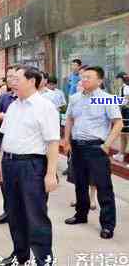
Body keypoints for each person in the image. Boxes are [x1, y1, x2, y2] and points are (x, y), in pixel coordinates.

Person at [0, 65, 59, 266]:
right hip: (10, 164)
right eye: (12, 79)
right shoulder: (14, 105)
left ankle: (44, 259)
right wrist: (0, 164)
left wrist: (51, 174)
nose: (12, 82)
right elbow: (5, 137)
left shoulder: (45, 106)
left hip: (32, 166)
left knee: (35, 215)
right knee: (14, 213)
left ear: (32, 81)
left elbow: (52, 142)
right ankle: (20, 255)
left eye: (17, 79)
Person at [64, 66, 123, 240]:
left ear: (100, 81)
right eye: (83, 77)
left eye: (88, 77)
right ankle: (81, 215)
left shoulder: (107, 99)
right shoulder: (75, 98)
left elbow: (118, 123)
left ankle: (107, 224)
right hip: (77, 146)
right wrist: (66, 139)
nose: (84, 80)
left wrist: (107, 145)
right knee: (80, 183)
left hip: (96, 147)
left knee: (103, 187)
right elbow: (69, 119)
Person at [0, 65, 18, 225]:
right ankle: (8, 211)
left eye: (14, 76)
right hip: (4, 142)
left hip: (22, 147)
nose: (10, 80)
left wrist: (6, 116)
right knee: (4, 180)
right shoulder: (5, 98)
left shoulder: (34, 101)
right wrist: (1, 116)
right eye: (8, 76)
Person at [115, 72, 129, 161]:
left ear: (121, 79)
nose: (116, 82)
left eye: (117, 80)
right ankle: (121, 154)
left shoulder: (126, 88)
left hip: (127, 113)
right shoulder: (122, 88)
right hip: (123, 112)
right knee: (122, 134)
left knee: (127, 135)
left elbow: (125, 101)